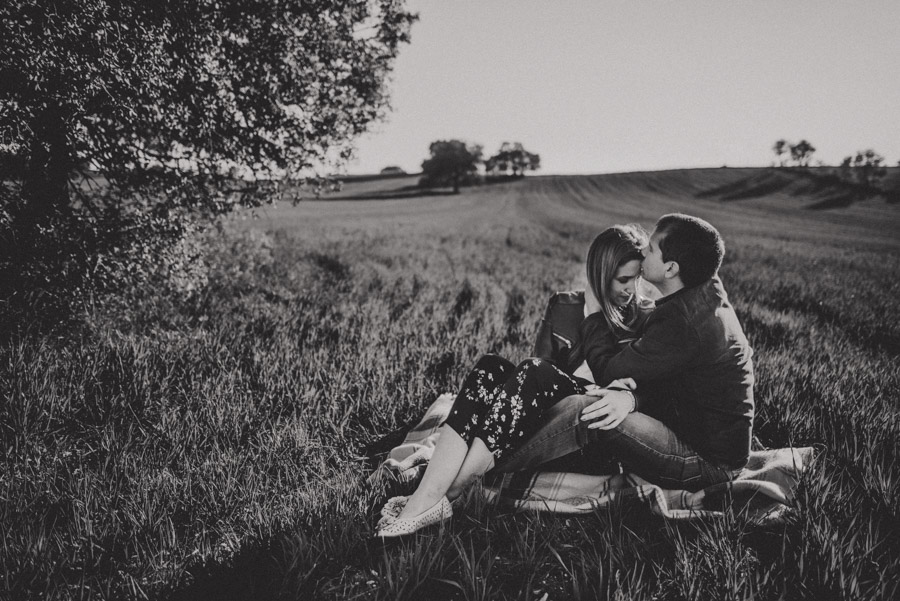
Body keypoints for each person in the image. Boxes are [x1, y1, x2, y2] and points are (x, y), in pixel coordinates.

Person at [375, 224, 648, 538]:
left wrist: (597, 321)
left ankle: (443, 495)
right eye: (623, 279)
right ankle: (431, 495)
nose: (632, 289)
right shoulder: (564, 306)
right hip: (546, 409)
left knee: (533, 371)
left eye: (637, 278)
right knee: (491, 367)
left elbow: (621, 382)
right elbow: (538, 371)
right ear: (599, 273)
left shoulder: (644, 317)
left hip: (586, 422)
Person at [494, 214, 755, 494]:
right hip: (694, 433)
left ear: (670, 269)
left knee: (594, 411)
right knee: (593, 404)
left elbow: (611, 372)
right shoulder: (706, 287)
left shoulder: (682, 322)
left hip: (706, 463)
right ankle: (488, 450)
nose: (643, 250)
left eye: (651, 248)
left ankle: (490, 468)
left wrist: (594, 316)